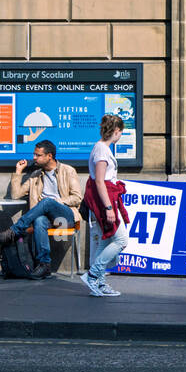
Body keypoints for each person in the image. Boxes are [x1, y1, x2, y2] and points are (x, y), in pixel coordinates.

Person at [0, 139, 82, 279]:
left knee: (47, 202)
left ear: (49, 156)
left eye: (38, 155)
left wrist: (55, 202)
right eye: (34, 154)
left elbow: (77, 197)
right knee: (39, 220)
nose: (34, 158)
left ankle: (14, 231)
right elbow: (16, 195)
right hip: (46, 218)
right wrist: (18, 172)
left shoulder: (68, 171)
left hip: (65, 216)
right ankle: (44, 264)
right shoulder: (35, 176)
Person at [81, 114, 130, 297]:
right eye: (120, 132)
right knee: (121, 240)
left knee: (106, 240)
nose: (121, 135)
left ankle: (100, 283)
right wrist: (109, 208)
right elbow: (100, 181)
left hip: (106, 199)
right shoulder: (102, 150)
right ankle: (93, 275)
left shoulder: (101, 148)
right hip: (105, 200)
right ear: (116, 132)